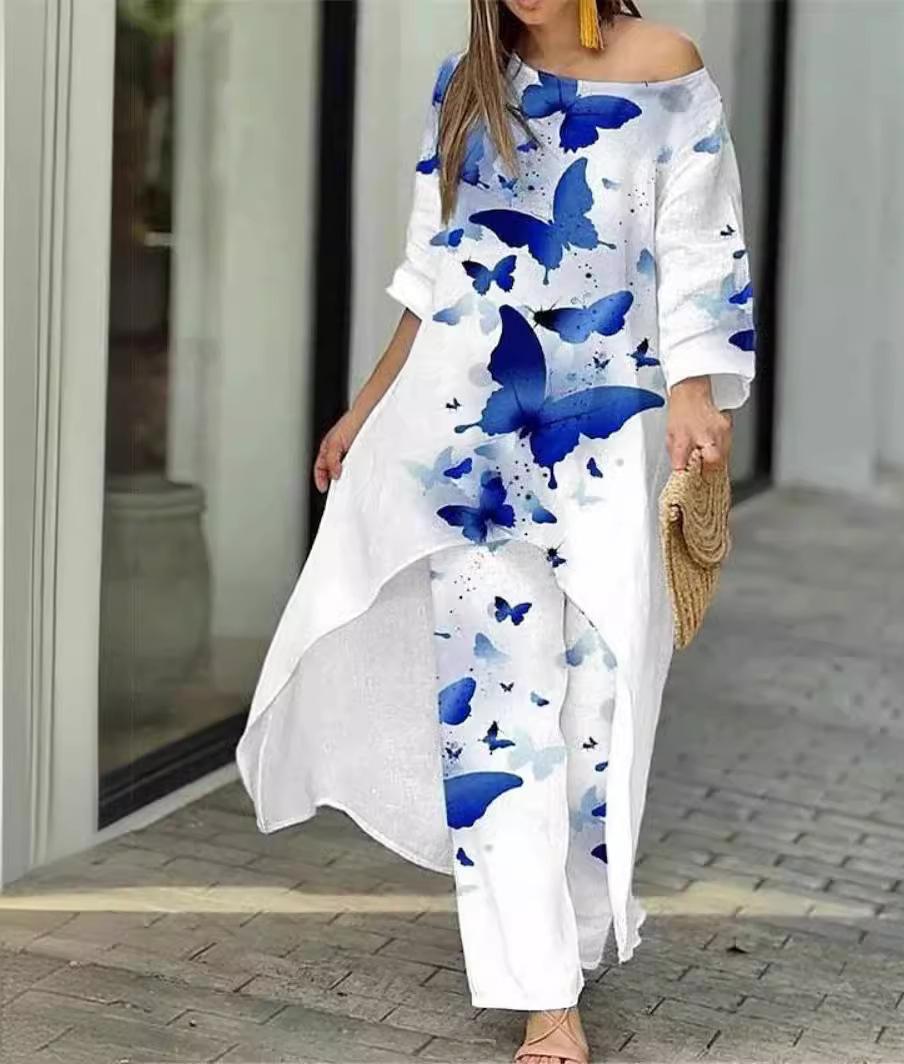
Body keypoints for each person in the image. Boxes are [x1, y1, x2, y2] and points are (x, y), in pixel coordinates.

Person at [235, 1, 756, 1060]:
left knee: (600, 712)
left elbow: (700, 244)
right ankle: (544, 996)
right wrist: (366, 407)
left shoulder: (667, 68)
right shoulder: (465, 88)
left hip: (607, 443)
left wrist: (697, 389)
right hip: (465, 450)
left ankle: (571, 936)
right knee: (498, 721)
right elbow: (431, 277)